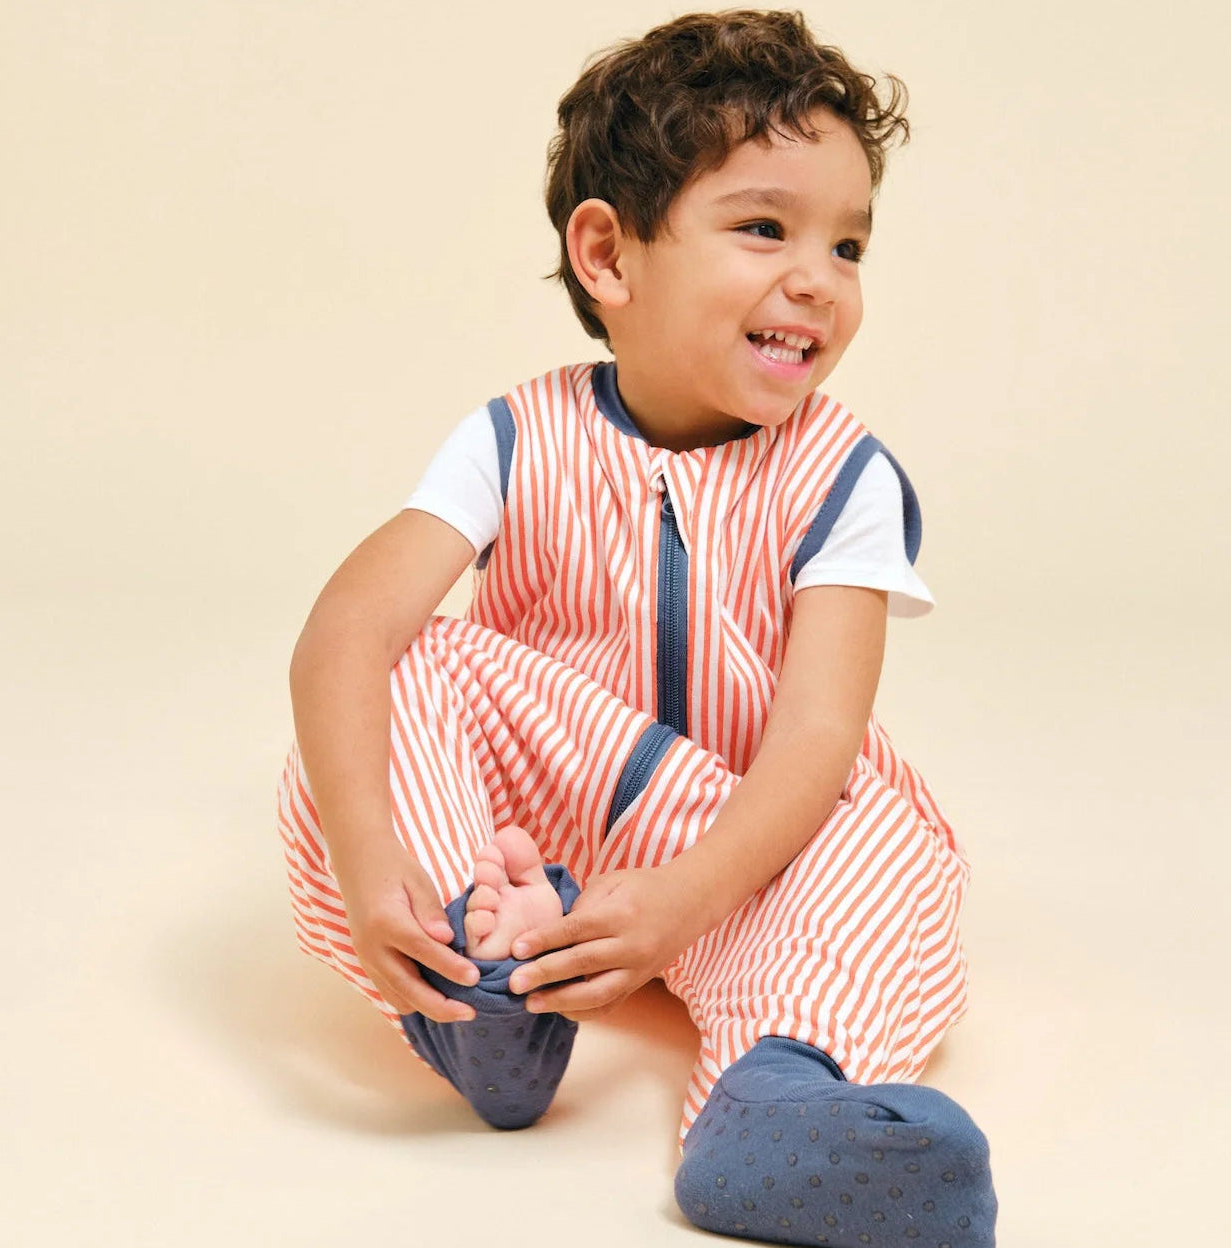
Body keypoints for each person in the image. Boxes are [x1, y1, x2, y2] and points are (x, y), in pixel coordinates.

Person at [277, 8, 998, 1245]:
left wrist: (684, 900)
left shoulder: (844, 478)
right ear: (609, 256)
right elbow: (344, 630)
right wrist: (367, 855)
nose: (818, 278)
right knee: (396, 676)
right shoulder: (516, 437)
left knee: (892, 853)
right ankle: (477, 991)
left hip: (746, 838)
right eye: (766, 228)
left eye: (848, 245)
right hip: (532, 834)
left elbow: (816, 741)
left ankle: (771, 1104)